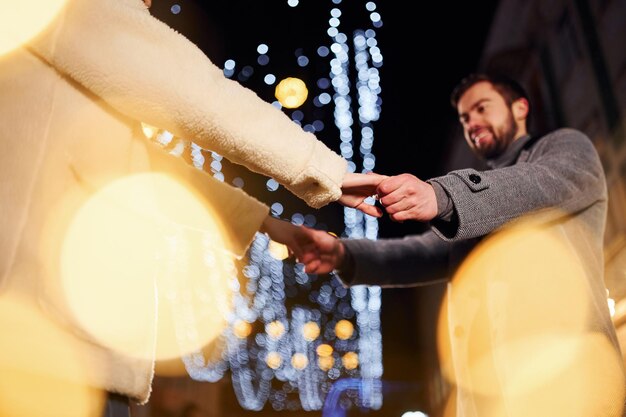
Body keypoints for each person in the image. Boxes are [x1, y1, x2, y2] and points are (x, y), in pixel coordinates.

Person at [0, 0, 383, 416]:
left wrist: (267, 224)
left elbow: (145, 166)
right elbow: (190, 90)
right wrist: (324, 169)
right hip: (44, 346)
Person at [274, 73, 626, 416]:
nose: (471, 122)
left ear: (520, 108)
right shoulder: (477, 209)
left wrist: (440, 196)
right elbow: (425, 252)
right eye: (464, 117)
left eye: (482, 108)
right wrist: (341, 252)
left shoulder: (564, 148)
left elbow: (537, 186)